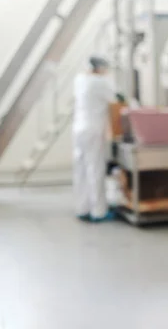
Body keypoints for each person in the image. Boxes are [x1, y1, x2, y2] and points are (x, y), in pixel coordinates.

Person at [72, 56, 116, 222]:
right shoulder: (101, 82)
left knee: (81, 169)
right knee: (95, 168)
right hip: (93, 130)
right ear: (100, 68)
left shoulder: (80, 79)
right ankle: (99, 211)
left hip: (78, 129)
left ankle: (82, 208)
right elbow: (115, 99)